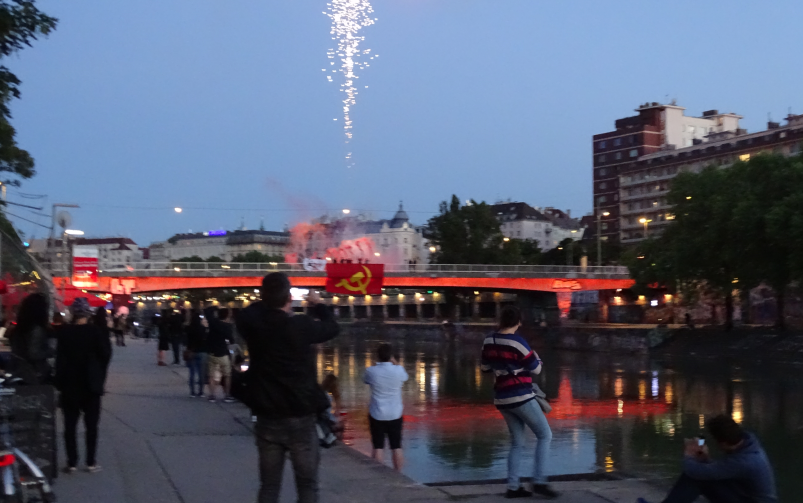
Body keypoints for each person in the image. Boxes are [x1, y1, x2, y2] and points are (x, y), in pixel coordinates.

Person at [237, 272, 339, 503]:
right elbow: (332, 327)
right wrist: (318, 304)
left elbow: (246, 313)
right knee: (307, 485)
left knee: (269, 486)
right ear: (289, 298)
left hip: (267, 415)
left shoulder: (254, 326)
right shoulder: (300, 325)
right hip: (301, 416)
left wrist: (268, 298)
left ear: (263, 297)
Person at [481, 306, 558, 499]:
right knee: (545, 435)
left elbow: (485, 368)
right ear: (518, 321)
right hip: (520, 396)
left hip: (501, 397)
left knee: (517, 442)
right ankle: (539, 481)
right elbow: (536, 369)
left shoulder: (489, 340)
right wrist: (537, 359)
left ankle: (513, 487)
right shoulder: (518, 342)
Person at [637, 415, 777, 503]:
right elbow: (725, 472)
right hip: (744, 495)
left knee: (696, 477)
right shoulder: (748, 443)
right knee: (701, 475)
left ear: (723, 443)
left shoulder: (745, 461)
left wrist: (688, 453)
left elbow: (693, 471)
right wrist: (706, 459)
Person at [55, 298, 112, 473]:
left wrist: (59, 382)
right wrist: (99, 374)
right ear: (87, 313)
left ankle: (72, 462)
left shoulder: (65, 332)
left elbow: (59, 359)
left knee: (70, 426)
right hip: (91, 384)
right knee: (91, 426)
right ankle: (90, 462)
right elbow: (105, 355)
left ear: (73, 313)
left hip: (70, 384)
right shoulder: (95, 332)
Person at [363, 343, 408, 471]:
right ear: (391, 356)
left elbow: (365, 380)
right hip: (395, 413)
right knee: (396, 446)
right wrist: (395, 363)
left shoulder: (371, 371)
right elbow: (405, 378)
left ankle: (379, 474)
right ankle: (398, 474)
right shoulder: (399, 370)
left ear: (377, 356)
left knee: (378, 446)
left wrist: (374, 365)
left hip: (377, 413)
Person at [8, 292, 54, 384]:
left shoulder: (19, 329)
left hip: (18, 371)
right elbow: (34, 353)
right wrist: (51, 351)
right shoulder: (37, 329)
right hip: (35, 373)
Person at [206, 307, 234, 403]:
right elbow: (231, 340)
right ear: (227, 315)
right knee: (227, 375)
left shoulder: (213, 323)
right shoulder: (227, 326)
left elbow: (207, 312)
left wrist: (215, 307)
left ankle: (212, 395)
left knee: (211, 375)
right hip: (223, 353)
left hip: (212, 352)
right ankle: (227, 395)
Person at [185, 311, 208, 398]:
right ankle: (201, 391)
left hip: (191, 351)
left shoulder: (188, 328)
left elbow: (185, 340)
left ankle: (192, 392)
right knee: (201, 373)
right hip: (202, 351)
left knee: (192, 373)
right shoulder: (203, 329)